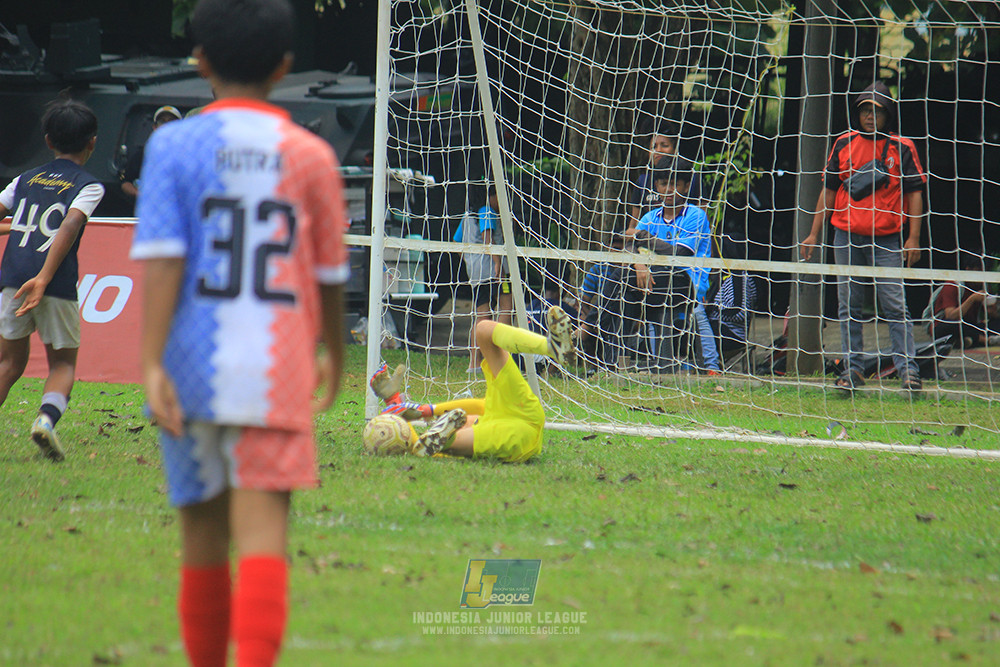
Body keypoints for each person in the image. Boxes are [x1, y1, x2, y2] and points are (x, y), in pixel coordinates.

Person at [129, 1, 348, 665]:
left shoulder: (171, 144)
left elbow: (163, 258)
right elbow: (331, 273)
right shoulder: (311, 155)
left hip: (192, 359)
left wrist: (150, 360)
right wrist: (333, 348)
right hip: (276, 364)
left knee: (200, 533)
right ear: (285, 65)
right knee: (262, 535)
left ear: (199, 61)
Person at [801, 81, 926, 392]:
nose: (871, 116)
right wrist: (814, 234)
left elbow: (915, 193)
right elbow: (828, 191)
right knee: (849, 304)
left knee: (895, 304)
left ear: (888, 115)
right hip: (845, 235)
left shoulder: (903, 147)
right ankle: (853, 369)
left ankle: (908, 370)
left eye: (877, 111)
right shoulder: (843, 143)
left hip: (886, 238)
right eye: (865, 110)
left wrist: (913, 238)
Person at [0, 98, 105, 462]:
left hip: (12, 279)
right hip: (55, 285)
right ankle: (45, 421)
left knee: (8, 364)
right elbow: (70, 224)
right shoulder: (88, 185)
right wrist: (44, 277)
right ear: (92, 142)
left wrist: (11, 229)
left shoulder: (24, 180)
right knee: (62, 365)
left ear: (47, 140)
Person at [370, 305, 574, 462]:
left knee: (484, 330)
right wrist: (408, 408)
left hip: (518, 417)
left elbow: (476, 406)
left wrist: (423, 410)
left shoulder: (468, 419)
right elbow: (475, 408)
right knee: (440, 443)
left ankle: (551, 347)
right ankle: (443, 440)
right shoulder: (478, 425)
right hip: (518, 428)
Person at [599, 154, 712, 369]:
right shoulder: (651, 216)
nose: (668, 190)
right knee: (623, 289)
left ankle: (589, 334)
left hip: (686, 282)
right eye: (662, 184)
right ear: (656, 186)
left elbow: (679, 253)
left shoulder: (695, 215)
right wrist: (639, 264)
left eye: (674, 184)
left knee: (621, 280)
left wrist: (642, 237)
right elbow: (629, 245)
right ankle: (613, 361)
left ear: (686, 186)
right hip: (652, 279)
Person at [453, 184, 513, 371]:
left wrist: (471, 262)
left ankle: (473, 363)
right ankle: (502, 357)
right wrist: (497, 264)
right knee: (507, 307)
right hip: (493, 270)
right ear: (492, 196)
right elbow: (488, 239)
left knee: (481, 315)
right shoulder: (487, 211)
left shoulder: (467, 215)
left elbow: (457, 243)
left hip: (476, 272)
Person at [624, 125, 703, 235]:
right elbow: (632, 227)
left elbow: (704, 224)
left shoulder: (692, 178)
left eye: (664, 146)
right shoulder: (642, 181)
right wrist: (645, 237)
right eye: (653, 147)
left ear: (675, 149)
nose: (659, 151)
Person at [927, 253, 999, 349]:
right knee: (952, 325)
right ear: (968, 269)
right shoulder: (953, 285)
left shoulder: (984, 286)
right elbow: (951, 316)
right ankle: (987, 341)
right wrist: (972, 299)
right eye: (979, 273)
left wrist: (992, 309)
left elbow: (989, 315)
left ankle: (965, 341)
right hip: (946, 327)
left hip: (970, 327)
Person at [119, 105, 182, 200]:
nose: (166, 125)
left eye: (171, 121)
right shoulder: (143, 154)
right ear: (155, 127)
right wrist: (140, 195)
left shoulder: (187, 153)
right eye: (162, 121)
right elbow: (126, 182)